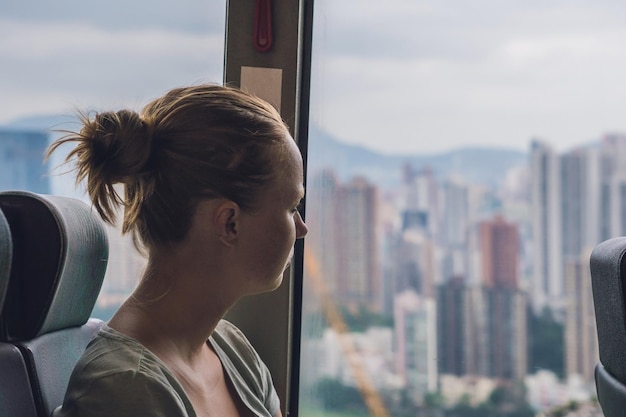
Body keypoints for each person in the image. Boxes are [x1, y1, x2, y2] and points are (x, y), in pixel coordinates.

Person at [49, 84, 308, 417]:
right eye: (291, 207)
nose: (301, 229)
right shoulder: (123, 390)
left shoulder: (232, 348)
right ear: (230, 222)